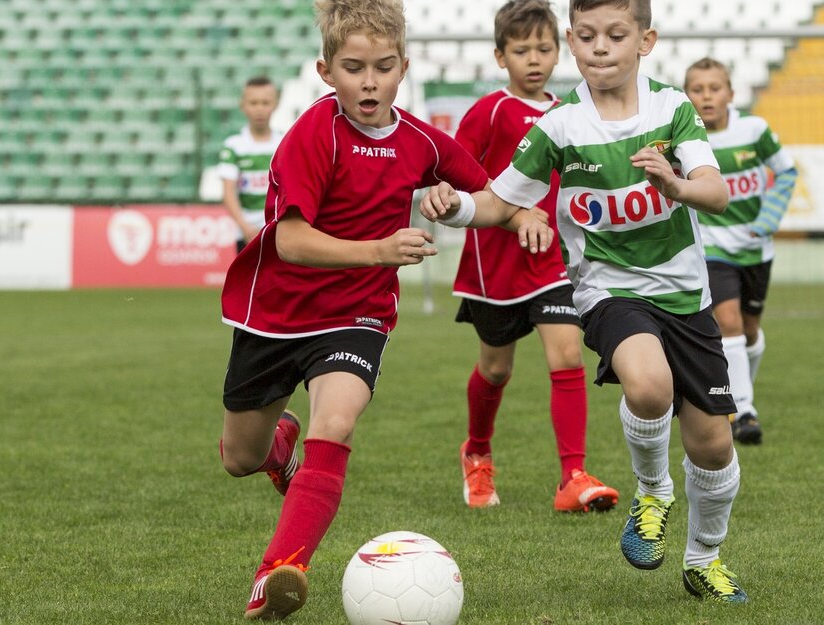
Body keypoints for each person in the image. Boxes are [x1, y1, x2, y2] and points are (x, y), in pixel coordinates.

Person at [217, 0, 551, 619]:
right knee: (239, 457)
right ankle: (280, 443)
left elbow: (488, 192)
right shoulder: (314, 134)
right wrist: (378, 249)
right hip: (276, 313)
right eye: (353, 68)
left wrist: (515, 211)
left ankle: (279, 571)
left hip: (358, 312)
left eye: (383, 67)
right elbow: (289, 241)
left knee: (337, 422)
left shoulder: (421, 140)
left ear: (404, 68)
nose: (368, 82)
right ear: (326, 72)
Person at [422, 0, 748, 604]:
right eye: (588, 35)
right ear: (572, 41)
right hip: (608, 290)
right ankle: (653, 493)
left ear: (645, 41)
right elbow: (498, 201)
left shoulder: (672, 107)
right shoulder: (560, 125)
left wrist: (676, 185)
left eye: (616, 35)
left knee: (713, 444)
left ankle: (704, 558)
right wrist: (456, 208)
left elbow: (717, 192)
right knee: (648, 384)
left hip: (685, 296)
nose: (601, 47)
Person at [450, 0, 619, 513]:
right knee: (496, 369)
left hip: (553, 261)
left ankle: (573, 476)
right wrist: (509, 213)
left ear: (559, 49)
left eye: (544, 48)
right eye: (521, 50)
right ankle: (477, 453)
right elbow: (457, 170)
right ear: (501, 57)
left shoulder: (570, 112)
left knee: (567, 354)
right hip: (493, 267)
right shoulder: (489, 111)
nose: (534, 59)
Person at [684, 57, 797, 445]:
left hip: (756, 250)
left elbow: (787, 172)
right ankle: (742, 411)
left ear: (731, 94)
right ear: (687, 96)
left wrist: (768, 220)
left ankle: (744, 390)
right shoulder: (687, 138)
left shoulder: (754, 129)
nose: (706, 96)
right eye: (697, 90)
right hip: (713, 249)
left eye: (714, 88)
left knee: (749, 331)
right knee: (728, 322)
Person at [217, 76, 283, 252]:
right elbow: (228, 192)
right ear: (243, 105)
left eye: (265, 102)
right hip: (245, 234)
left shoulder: (284, 143)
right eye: (253, 103)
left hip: (278, 232)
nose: (259, 109)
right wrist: (245, 227)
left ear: (275, 104)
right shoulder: (234, 146)